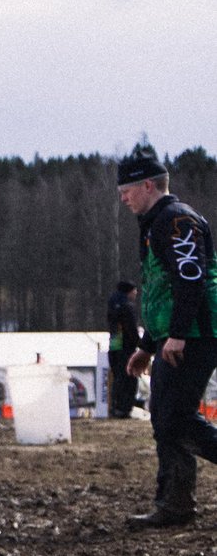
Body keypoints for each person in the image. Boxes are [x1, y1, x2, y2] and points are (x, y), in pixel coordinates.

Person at [116, 146, 217, 528]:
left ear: (148, 185)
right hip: (178, 334)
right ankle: (175, 504)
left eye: (127, 190)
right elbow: (162, 291)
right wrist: (147, 344)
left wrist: (177, 335)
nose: (123, 199)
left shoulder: (176, 220)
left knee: (174, 417)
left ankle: (175, 504)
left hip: (196, 334)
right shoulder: (155, 223)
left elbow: (190, 279)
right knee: (165, 416)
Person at [107, 279, 144, 421]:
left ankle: (115, 407)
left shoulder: (112, 305)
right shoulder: (127, 307)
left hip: (114, 346)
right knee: (129, 378)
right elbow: (131, 329)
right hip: (126, 348)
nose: (136, 293)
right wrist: (141, 344)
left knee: (118, 378)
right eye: (134, 291)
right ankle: (124, 408)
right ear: (129, 291)